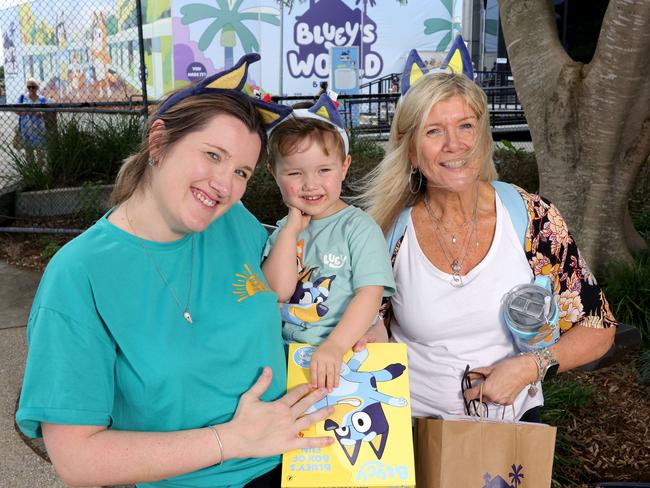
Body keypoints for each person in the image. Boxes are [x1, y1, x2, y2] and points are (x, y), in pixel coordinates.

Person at [16, 54, 334, 488]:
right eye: (212, 155)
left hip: (302, 463)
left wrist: (361, 320)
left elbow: (295, 292)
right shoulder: (78, 275)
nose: (225, 185)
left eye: (241, 171)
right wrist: (231, 439)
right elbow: (77, 458)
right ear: (159, 142)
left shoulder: (234, 222)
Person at [356, 53, 617, 422]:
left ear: (482, 136)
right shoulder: (386, 234)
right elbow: (364, 331)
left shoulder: (533, 219)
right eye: (434, 131)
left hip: (509, 438)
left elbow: (598, 326)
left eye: (465, 126)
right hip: (409, 435)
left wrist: (531, 366)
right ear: (411, 150)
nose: (454, 144)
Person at [262, 94, 395, 391]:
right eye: (295, 173)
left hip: (345, 355)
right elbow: (278, 290)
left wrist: (335, 346)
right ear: (275, 174)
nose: (310, 184)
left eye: (324, 170)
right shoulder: (285, 230)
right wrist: (290, 231)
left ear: (344, 167)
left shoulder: (358, 227)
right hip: (288, 359)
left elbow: (370, 295)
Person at [15, 78, 48, 161]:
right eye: (29, 87)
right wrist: (23, 113)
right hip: (25, 127)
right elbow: (15, 109)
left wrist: (41, 113)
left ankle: (40, 168)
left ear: (37, 88)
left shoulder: (42, 99)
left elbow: (47, 110)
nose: (31, 89)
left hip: (39, 127)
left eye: (33, 87)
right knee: (28, 150)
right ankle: (31, 168)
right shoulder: (22, 97)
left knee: (40, 150)